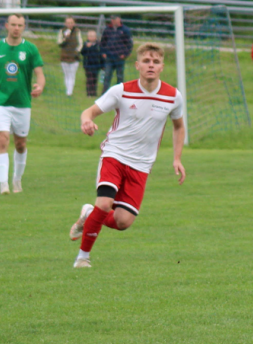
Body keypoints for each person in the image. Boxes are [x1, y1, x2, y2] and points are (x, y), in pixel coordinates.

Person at [69, 43, 186, 268]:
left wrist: (177, 158)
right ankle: (82, 257)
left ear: (162, 66)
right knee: (105, 204)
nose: (151, 65)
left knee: (123, 221)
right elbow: (89, 111)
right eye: (146, 61)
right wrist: (86, 121)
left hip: (141, 165)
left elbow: (179, 127)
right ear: (137, 65)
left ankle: (89, 214)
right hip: (114, 155)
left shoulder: (173, 96)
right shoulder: (121, 90)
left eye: (156, 62)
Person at [0, 14, 44, 195]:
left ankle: (17, 180)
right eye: (13, 24)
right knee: (2, 139)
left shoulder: (30, 49)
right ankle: (3, 184)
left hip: (22, 103)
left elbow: (40, 74)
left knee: (20, 144)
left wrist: (40, 85)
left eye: (20, 25)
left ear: (23, 27)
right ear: (7, 25)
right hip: (0, 103)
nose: (16, 28)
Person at [100, 15, 133, 94]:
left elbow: (129, 44)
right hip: (109, 57)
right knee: (107, 75)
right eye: (112, 19)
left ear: (119, 19)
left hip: (119, 58)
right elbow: (102, 42)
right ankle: (105, 93)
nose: (113, 21)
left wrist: (125, 54)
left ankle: (119, 93)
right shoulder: (107, 29)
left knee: (120, 76)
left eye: (115, 19)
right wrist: (103, 52)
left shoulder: (125, 30)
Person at [57, 16, 82, 96]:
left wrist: (77, 51)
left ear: (74, 23)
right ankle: (68, 90)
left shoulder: (77, 31)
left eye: (71, 23)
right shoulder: (62, 31)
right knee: (66, 74)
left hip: (74, 57)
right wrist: (65, 38)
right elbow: (59, 43)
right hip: (65, 56)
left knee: (72, 74)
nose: (70, 24)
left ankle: (69, 92)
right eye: (68, 23)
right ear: (65, 23)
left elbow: (80, 43)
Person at [80, 29, 102, 96]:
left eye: (93, 36)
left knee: (95, 79)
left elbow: (100, 54)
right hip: (88, 65)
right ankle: (89, 93)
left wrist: (102, 64)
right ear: (88, 37)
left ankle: (94, 92)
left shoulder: (98, 44)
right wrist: (87, 47)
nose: (92, 38)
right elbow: (82, 52)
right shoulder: (85, 44)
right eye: (90, 36)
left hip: (96, 65)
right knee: (89, 79)